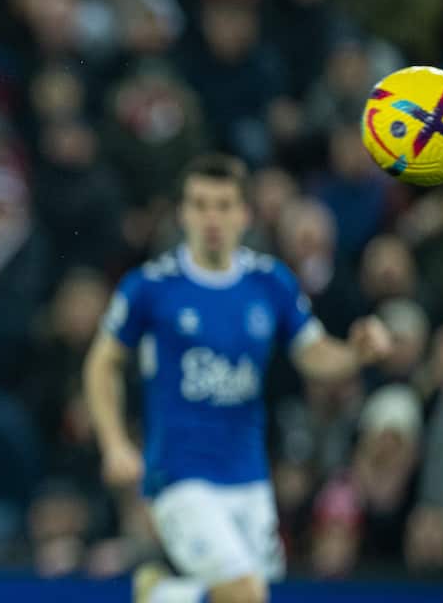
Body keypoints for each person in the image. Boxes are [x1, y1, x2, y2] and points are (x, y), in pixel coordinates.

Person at [84, 154, 389, 603]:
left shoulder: (271, 283)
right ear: (182, 213)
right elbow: (102, 361)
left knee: (246, 593)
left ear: (244, 214)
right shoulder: (151, 287)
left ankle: (168, 595)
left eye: (223, 205)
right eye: (201, 205)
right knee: (245, 595)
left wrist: (356, 353)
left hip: (249, 477)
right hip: (179, 477)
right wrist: (113, 443)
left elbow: (313, 354)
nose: (212, 217)